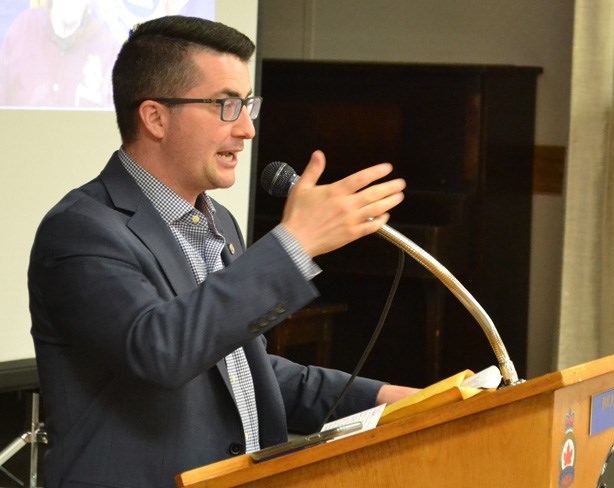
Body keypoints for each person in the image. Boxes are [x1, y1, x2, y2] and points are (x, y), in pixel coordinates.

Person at [28, 15, 418, 487]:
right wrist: (295, 244)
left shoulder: (219, 223)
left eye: (248, 104)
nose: (248, 129)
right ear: (155, 117)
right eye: (226, 106)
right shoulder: (82, 229)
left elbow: (242, 370)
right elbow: (162, 351)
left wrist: (387, 398)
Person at [0, 0, 121, 108]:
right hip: (22, 131)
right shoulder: (22, 30)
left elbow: (112, 121)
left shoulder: (106, 48)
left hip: (79, 133)